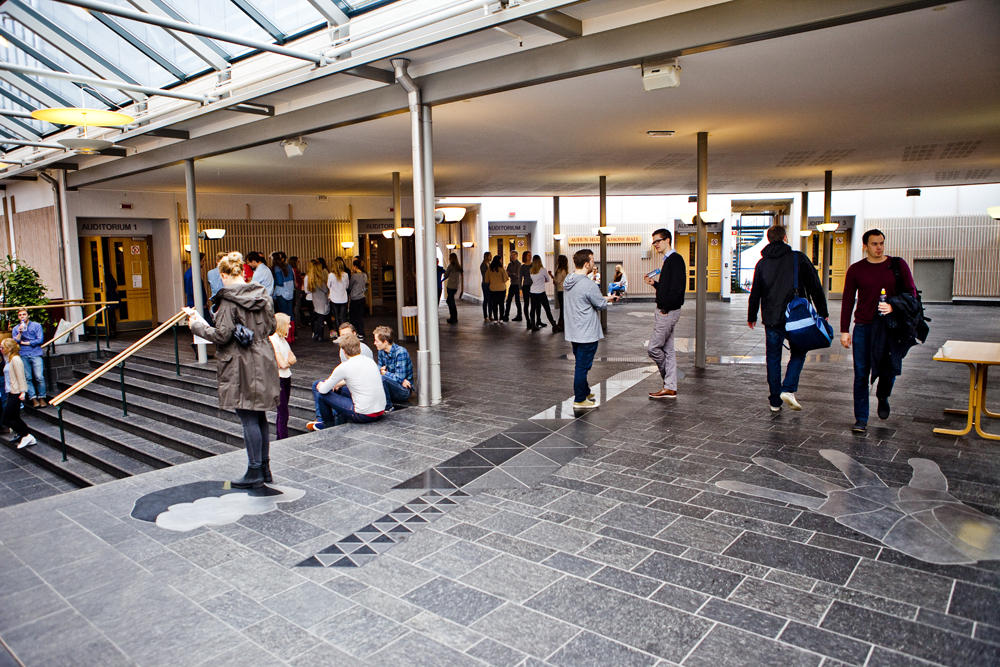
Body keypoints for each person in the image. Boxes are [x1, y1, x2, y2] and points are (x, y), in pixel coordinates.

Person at [187, 251, 279, 489]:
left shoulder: (228, 301)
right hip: (263, 357)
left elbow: (221, 335)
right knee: (259, 414)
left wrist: (196, 326)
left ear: (224, 274)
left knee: (247, 415)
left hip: (241, 361)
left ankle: (254, 470)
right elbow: (271, 328)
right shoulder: (263, 295)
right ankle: (264, 468)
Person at [841, 228, 917, 433]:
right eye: (874, 244)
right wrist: (844, 330)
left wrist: (893, 306)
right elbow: (847, 300)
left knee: (889, 369)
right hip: (863, 327)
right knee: (861, 373)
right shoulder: (856, 270)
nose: (879, 247)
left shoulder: (897, 265)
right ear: (865, 246)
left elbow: (911, 295)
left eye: (881, 243)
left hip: (889, 327)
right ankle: (861, 419)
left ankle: (883, 395)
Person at [747, 225, 828, 412]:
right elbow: (815, 286)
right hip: (797, 317)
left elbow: (756, 292)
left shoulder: (762, 263)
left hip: (771, 318)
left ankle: (775, 401)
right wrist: (823, 312)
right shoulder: (798, 258)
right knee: (799, 351)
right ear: (785, 238)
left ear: (769, 239)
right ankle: (789, 388)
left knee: (773, 357)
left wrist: (752, 315)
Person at [563, 249, 615, 409]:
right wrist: (609, 299)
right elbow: (600, 304)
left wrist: (603, 298)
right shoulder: (588, 284)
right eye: (592, 260)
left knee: (581, 363)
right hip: (587, 333)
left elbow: (584, 299)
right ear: (586, 264)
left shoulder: (569, 280)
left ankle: (585, 391)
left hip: (574, 331)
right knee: (582, 367)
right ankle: (580, 399)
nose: (594, 263)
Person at [308, 332, 386, 429]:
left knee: (321, 394)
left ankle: (327, 425)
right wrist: (337, 385)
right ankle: (338, 419)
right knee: (341, 390)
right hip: (380, 411)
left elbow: (323, 390)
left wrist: (321, 386)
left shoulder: (344, 367)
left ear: (344, 351)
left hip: (364, 415)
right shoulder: (370, 361)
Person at [644, 228, 686, 400]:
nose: (655, 244)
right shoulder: (668, 260)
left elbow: (677, 289)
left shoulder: (675, 260)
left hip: (667, 312)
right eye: (653, 242)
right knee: (668, 350)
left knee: (653, 348)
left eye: (658, 241)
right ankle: (670, 387)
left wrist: (665, 308)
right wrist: (654, 284)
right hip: (666, 310)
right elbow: (668, 287)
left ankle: (669, 381)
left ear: (667, 240)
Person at [2, 339, 35, 449]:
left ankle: (26, 435)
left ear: (9, 348)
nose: (1, 349)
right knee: (14, 416)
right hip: (11, 391)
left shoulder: (16, 359)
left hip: (16, 392)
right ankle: (24, 434)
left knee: (7, 418)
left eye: (2, 347)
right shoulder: (8, 359)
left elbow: (21, 376)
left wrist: (23, 392)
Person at [269, 313, 296, 440]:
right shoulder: (273, 340)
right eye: (288, 324)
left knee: (283, 412)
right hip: (278, 378)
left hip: (286, 376)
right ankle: (282, 438)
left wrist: (287, 362)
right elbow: (283, 363)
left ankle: (280, 436)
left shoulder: (283, 340)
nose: (290, 326)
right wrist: (288, 362)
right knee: (283, 411)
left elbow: (292, 358)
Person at [12, 308, 46, 408]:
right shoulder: (16, 328)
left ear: (28, 315)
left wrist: (26, 343)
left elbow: (40, 340)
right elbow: (16, 342)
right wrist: (20, 333)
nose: (22, 316)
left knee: (39, 377)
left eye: (24, 314)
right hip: (23, 354)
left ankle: (42, 397)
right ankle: (33, 398)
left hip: (36, 353)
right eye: (20, 315)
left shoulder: (36, 325)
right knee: (28, 378)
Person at [373, 325, 413, 410]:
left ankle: (388, 408)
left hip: (403, 390)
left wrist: (385, 373)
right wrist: (383, 373)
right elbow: (378, 370)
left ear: (385, 342)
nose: (374, 343)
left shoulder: (401, 352)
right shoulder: (381, 351)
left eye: (376, 341)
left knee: (382, 379)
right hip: (391, 386)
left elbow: (399, 377)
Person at [528, 255, 557, 332]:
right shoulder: (543, 270)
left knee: (533, 309)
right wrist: (542, 281)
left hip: (533, 292)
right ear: (540, 261)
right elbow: (547, 280)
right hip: (541, 292)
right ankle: (553, 325)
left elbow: (532, 280)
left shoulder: (531, 270)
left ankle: (533, 325)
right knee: (547, 309)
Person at [303, 259, 330, 341]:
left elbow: (307, 290)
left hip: (315, 300)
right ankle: (320, 336)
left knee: (316, 318)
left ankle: (316, 334)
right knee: (321, 318)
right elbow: (325, 290)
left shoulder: (311, 278)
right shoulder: (319, 280)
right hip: (322, 300)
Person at [327, 256, 350, 332]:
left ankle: (338, 333)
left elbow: (328, 286)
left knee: (336, 317)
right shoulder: (346, 275)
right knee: (343, 317)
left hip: (334, 299)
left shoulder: (331, 275)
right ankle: (344, 333)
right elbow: (347, 286)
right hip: (343, 298)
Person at [348, 258, 368, 338]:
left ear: (355, 266)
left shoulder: (354, 276)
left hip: (355, 298)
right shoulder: (364, 275)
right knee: (360, 316)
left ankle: (357, 332)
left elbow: (349, 286)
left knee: (353, 317)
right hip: (362, 298)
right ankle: (361, 332)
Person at [486, 254, 509, 323]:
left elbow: (486, 280)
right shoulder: (501, 269)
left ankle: (495, 319)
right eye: (501, 260)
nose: (501, 261)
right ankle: (501, 319)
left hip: (492, 289)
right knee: (501, 304)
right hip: (501, 289)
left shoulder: (489, 269)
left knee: (494, 304)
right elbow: (506, 279)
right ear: (499, 261)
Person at [271, 251, 295, 317]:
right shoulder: (289, 266)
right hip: (290, 291)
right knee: (290, 312)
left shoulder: (277, 268)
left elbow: (280, 282)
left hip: (281, 292)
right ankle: (292, 324)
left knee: (283, 313)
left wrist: (273, 281)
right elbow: (293, 278)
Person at [443, 253, 463, 324]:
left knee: (451, 302)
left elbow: (446, 275)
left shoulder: (450, 266)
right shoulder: (458, 267)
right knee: (450, 301)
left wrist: (445, 273)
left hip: (450, 286)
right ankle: (454, 317)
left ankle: (453, 318)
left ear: (451, 258)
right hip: (455, 287)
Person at [504, 252, 523, 322]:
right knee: (508, 300)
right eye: (511, 255)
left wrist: (510, 273)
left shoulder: (519, 264)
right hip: (512, 284)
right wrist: (511, 274)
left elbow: (518, 275)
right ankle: (506, 316)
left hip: (517, 285)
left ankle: (519, 316)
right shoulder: (509, 264)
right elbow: (507, 274)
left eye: (513, 255)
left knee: (517, 301)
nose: (511, 256)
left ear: (516, 256)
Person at [554, 254, 568, 332]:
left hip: (561, 291)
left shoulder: (560, 270)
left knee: (562, 308)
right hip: (564, 290)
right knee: (563, 308)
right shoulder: (565, 270)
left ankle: (561, 324)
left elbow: (558, 281)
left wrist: (554, 279)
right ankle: (563, 324)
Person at [519, 250, 533, 330]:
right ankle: (528, 320)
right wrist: (520, 288)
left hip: (534, 286)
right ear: (525, 257)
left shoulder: (533, 265)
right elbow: (520, 278)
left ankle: (533, 320)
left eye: (530, 255)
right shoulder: (523, 267)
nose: (530, 256)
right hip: (526, 286)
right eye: (528, 255)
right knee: (526, 303)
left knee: (534, 304)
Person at [479, 252, 492, 322]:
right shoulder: (483, 265)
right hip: (485, 284)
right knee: (486, 299)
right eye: (490, 256)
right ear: (486, 257)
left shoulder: (489, 264)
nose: (491, 257)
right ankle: (485, 316)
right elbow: (485, 274)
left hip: (490, 283)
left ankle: (490, 315)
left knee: (490, 300)